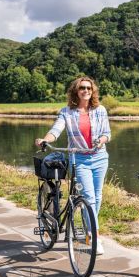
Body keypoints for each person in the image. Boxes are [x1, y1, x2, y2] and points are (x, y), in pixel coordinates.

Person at [35, 76, 111, 255]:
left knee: (97, 197)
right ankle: (94, 236)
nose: (86, 91)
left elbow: (108, 133)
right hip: (79, 160)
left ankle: (88, 227)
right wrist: (45, 139)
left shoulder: (100, 110)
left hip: (100, 158)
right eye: (82, 88)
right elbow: (56, 130)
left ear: (93, 91)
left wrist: (102, 140)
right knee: (89, 198)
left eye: (89, 88)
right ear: (76, 91)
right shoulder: (67, 112)